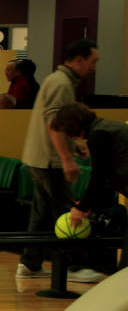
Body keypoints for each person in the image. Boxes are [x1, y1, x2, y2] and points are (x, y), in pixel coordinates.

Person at [18, 38, 105, 282]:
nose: (94, 67)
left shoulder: (57, 79)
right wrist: (67, 159)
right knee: (69, 212)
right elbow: (54, 124)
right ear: (78, 60)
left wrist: (75, 146)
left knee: (41, 213)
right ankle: (74, 266)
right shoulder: (62, 83)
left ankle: (30, 263)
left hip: (38, 157)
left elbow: (59, 122)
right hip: (49, 161)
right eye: (93, 61)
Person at [49, 102, 128, 272]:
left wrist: (81, 208)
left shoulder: (98, 134)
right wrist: (88, 205)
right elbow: (107, 178)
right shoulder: (105, 127)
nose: (69, 137)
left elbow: (99, 176)